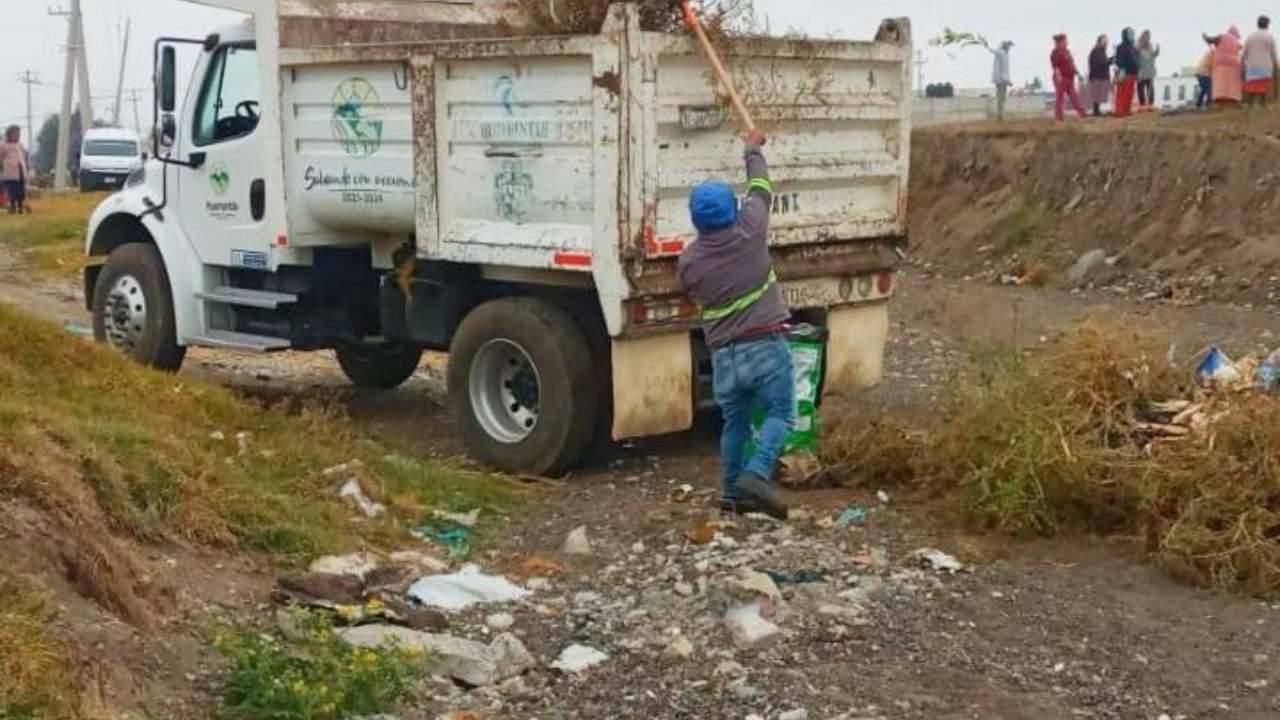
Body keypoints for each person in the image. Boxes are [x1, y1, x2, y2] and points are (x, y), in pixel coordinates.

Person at [678, 131, 791, 521]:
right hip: (765, 345)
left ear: (696, 219)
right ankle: (756, 475)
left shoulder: (690, 261)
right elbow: (760, 187)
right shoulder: (750, 230)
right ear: (732, 209)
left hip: (724, 354)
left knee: (734, 422)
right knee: (781, 413)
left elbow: (689, 291)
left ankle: (729, 494)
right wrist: (753, 148)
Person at [1051, 34, 1087, 121]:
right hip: (1061, 78)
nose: (1067, 42)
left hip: (1069, 78)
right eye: (1065, 40)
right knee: (1060, 98)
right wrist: (1058, 76)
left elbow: (1072, 65)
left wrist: (1078, 74)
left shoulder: (1067, 52)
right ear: (1060, 42)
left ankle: (1082, 113)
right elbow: (1055, 66)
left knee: (1074, 96)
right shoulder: (1055, 52)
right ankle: (1059, 117)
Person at [1243, 16, 1278, 106]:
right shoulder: (1269, 37)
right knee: (1263, 87)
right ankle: (1263, 105)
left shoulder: (1250, 37)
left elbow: (1244, 53)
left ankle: (1250, 105)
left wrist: (1245, 63)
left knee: (1251, 87)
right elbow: (1274, 54)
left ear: (1257, 24)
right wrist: (1276, 66)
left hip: (1252, 67)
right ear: (1267, 25)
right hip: (1265, 66)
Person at [1208, 27, 1244, 105]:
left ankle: (1219, 100)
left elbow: (1211, 40)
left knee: (1220, 82)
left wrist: (1206, 39)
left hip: (1220, 64)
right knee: (1232, 83)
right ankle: (1233, 99)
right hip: (1234, 65)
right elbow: (1242, 47)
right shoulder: (1236, 41)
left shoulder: (1222, 36)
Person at [0, 126, 29, 215]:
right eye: (15, 134)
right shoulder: (3, 145)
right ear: (9, 134)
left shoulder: (20, 145)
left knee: (21, 191)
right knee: (12, 191)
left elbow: (25, 154)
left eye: (18, 134)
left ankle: (20, 206)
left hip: (20, 171)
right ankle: (12, 206)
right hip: (10, 173)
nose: (17, 136)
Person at [1113, 28, 1140, 118]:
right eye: (1130, 34)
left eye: (1133, 34)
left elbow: (1137, 59)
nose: (1132, 36)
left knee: (1129, 94)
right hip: (1124, 73)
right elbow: (1118, 61)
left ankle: (1127, 110)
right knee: (1122, 93)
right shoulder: (1121, 47)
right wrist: (1121, 71)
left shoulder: (1133, 48)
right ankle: (1119, 112)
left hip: (1132, 73)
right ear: (1125, 35)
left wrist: (1137, 71)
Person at [1087, 34, 1114, 116]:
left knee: (1098, 96)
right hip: (1097, 77)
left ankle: (1097, 111)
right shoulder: (1096, 51)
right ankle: (1096, 111)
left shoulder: (1101, 51)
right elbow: (1101, 64)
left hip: (1099, 77)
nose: (1106, 43)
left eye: (1107, 41)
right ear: (1100, 42)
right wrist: (1110, 61)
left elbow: (1104, 62)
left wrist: (1111, 60)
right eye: (1105, 41)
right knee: (1097, 95)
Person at [990, 40, 1014, 121]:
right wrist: (1008, 81)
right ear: (1005, 46)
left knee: (1001, 98)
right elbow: (1003, 70)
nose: (1010, 47)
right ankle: (1000, 116)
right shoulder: (1003, 54)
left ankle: (1000, 115)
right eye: (1009, 46)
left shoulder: (1003, 54)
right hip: (1001, 80)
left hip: (1000, 79)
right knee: (1001, 98)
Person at [1137, 31, 1161, 110]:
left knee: (1150, 88)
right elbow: (1136, 57)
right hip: (1141, 70)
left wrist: (1157, 51)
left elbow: (1152, 56)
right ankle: (1142, 104)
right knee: (1141, 88)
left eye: (1149, 36)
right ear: (1143, 36)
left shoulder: (1150, 45)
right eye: (1147, 36)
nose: (1148, 38)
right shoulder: (1138, 46)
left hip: (1150, 69)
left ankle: (1151, 104)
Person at [1195, 38, 1215, 109]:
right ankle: (1208, 104)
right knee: (1208, 88)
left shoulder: (1211, 51)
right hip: (1203, 72)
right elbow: (1213, 66)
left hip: (1199, 72)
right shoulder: (1213, 53)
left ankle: (1198, 105)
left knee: (1204, 89)